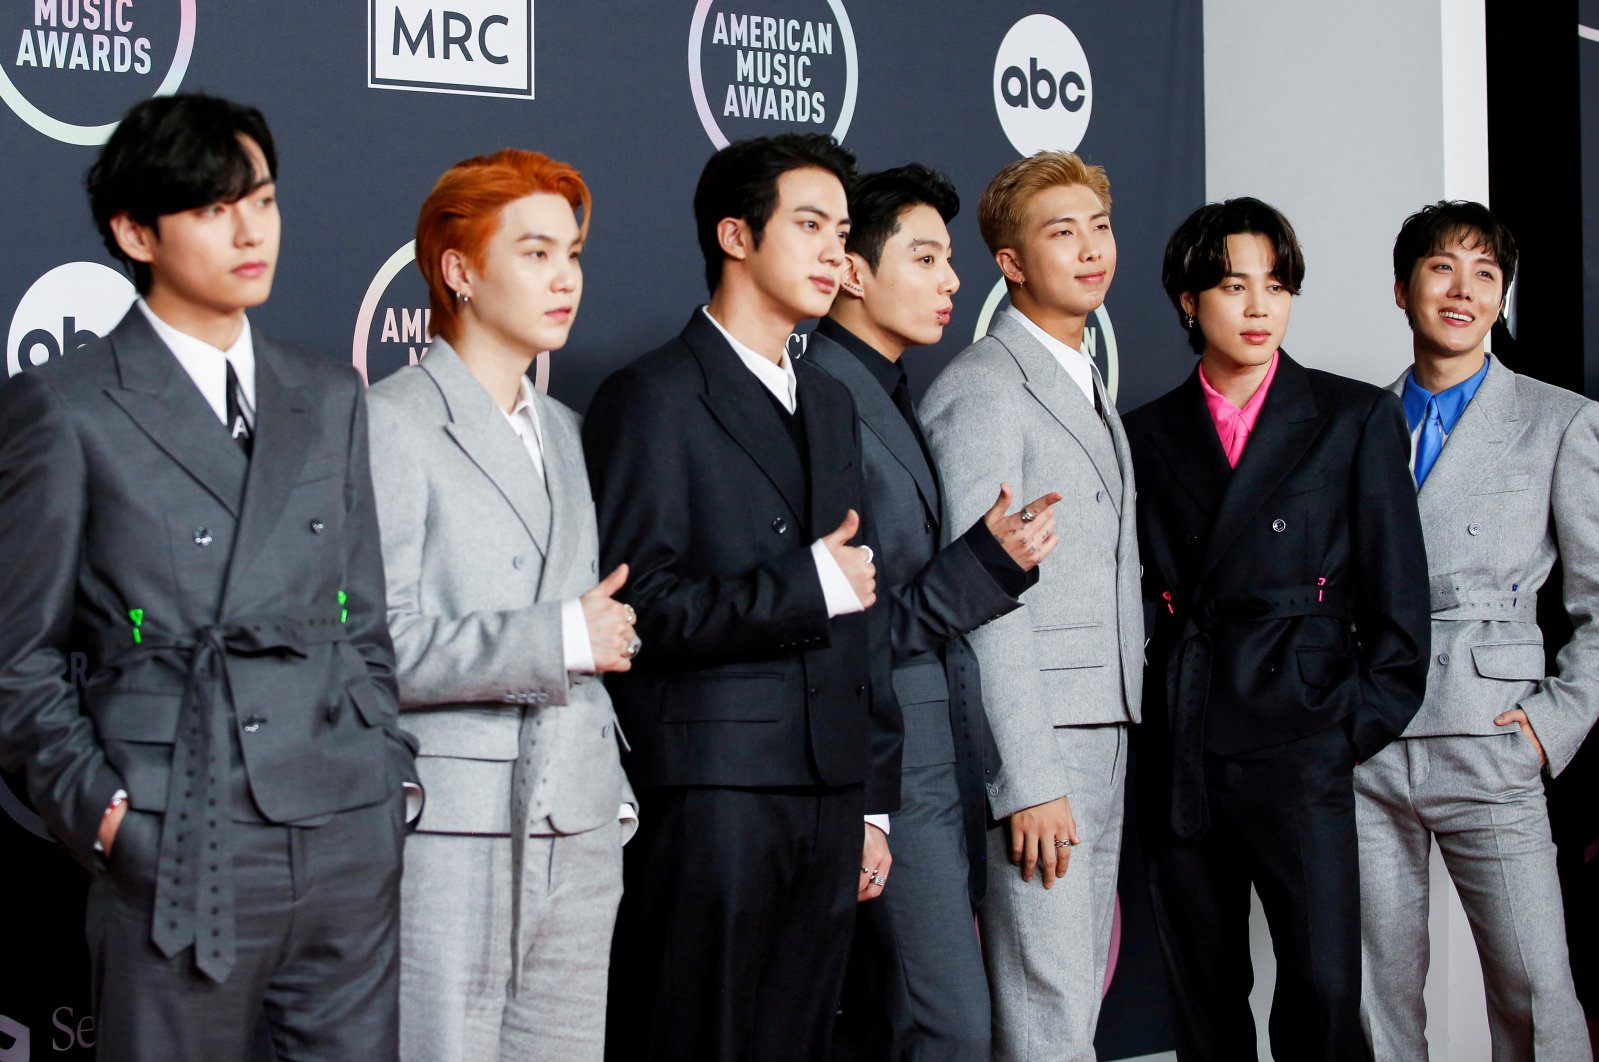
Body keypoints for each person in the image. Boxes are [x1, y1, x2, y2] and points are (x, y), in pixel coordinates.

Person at [0, 93, 418, 1060]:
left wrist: (389, 779)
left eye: (262, 201)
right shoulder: (65, 407)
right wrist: (111, 821)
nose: (249, 231)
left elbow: (362, 615)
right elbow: (18, 659)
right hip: (180, 828)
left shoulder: (326, 393)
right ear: (134, 231)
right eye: (211, 208)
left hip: (346, 820)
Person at [583, 133, 897, 1062]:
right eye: (809, 226)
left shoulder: (833, 402)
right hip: (712, 791)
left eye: (841, 231)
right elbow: (640, 614)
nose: (834, 252)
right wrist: (800, 587)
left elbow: (863, 611)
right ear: (734, 235)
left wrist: (871, 799)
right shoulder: (651, 396)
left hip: (829, 788)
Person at [1123, 197, 1430, 1061]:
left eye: (1276, 285)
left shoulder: (1350, 418)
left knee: (1325, 990)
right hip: (1185, 739)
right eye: (1231, 285)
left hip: (1301, 738)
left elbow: (1400, 603)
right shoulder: (1145, 433)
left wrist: (1335, 731)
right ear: (1188, 301)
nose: (1259, 307)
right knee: (1204, 992)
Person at [365, 149, 638, 1062]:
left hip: (581, 820)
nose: (564, 278)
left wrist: (612, 804)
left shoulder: (563, 430)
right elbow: (376, 645)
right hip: (452, 828)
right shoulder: (391, 420)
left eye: (572, 254)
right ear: (458, 270)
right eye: (534, 253)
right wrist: (560, 635)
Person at [809, 164, 1059, 1061]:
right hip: (884, 762)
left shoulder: (884, 387)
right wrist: (985, 566)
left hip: (932, 754)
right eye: (925, 257)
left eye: (950, 259)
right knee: (946, 1024)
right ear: (850, 269)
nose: (953, 280)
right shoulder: (823, 399)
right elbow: (835, 625)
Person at [1356, 200, 1599, 1061]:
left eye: (1483, 274)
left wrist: (1550, 723)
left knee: (1536, 992)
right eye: (1440, 268)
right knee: (1373, 1000)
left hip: (1488, 734)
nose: (1461, 291)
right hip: (1368, 742)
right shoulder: (1356, 422)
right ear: (1401, 288)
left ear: (1500, 298)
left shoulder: (1557, 419)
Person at [920, 150, 1143, 1062]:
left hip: (1102, 722)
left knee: (1069, 994)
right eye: (1061, 232)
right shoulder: (981, 389)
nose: (1090, 249)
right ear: (1009, 262)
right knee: (1046, 1002)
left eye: (1098, 226)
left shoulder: (1077, 371)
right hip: (1044, 738)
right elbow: (985, 597)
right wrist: (1028, 777)